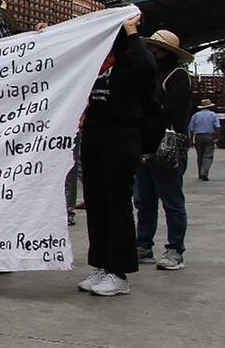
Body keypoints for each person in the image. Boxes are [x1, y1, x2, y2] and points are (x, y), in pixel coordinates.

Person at [78, 15, 156, 296]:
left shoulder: (133, 60)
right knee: (96, 203)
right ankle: (102, 264)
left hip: (121, 138)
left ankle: (120, 273)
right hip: (95, 136)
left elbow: (147, 67)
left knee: (117, 204)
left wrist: (131, 31)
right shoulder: (99, 61)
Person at [134, 30, 193, 271]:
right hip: (145, 143)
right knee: (144, 200)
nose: (153, 52)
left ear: (167, 52)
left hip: (167, 145)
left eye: (157, 49)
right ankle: (143, 244)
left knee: (172, 201)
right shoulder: (148, 74)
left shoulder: (178, 76)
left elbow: (174, 110)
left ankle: (175, 249)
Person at [189, 99, 219, 181]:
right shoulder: (213, 115)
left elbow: (191, 128)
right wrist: (216, 137)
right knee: (208, 156)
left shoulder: (195, 115)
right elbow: (217, 127)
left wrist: (191, 140)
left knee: (200, 156)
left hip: (198, 136)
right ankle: (204, 173)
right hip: (209, 136)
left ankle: (200, 173)